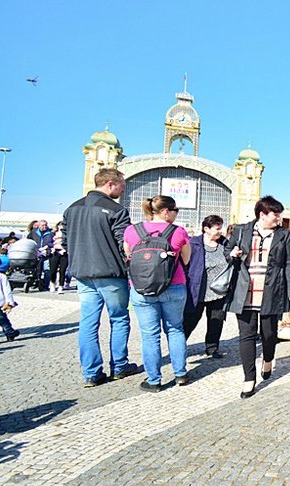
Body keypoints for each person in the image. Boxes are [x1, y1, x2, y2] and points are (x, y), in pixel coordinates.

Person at [62, 168, 142, 387]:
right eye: (121, 187)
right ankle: (119, 366)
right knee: (119, 318)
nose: (122, 191)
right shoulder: (116, 210)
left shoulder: (71, 209)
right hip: (111, 274)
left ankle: (91, 372)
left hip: (82, 273)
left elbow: (64, 241)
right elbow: (123, 243)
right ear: (110, 184)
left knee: (88, 322)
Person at [226, 196, 290, 399]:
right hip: (244, 291)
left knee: (268, 334)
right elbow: (226, 251)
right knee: (246, 336)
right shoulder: (241, 230)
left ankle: (268, 358)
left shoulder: (284, 234)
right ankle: (249, 378)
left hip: (272, 291)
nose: (279, 218)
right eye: (275, 214)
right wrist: (232, 253)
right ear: (262, 214)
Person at [123, 195, 191, 392]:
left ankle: (154, 380)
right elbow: (186, 260)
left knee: (150, 335)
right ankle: (180, 373)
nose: (176, 214)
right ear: (165, 211)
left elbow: (129, 256)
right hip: (174, 285)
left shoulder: (132, 231)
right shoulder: (178, 232)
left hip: (142, 289)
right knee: (175, 329)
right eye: (175, 210)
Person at [184, 214, 230, 358]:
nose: (220, 231)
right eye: (217, 228)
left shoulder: (225, 244)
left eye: (221, 228)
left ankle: (212, 348)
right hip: (198, 292)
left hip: (219, 292)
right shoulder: (194, 244)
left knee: (216, 322)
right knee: (189, 321)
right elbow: (186, 266)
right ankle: (178, 346)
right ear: (206, 229)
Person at [0, 267, 20, 341]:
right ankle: (9, 333)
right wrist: (10, 302)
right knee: (2, 319)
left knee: (2, 318)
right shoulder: (1, 276)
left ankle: (10, 332)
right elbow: (7, 290)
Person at [27, 219, 53, 291]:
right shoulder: (34, 232)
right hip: (36, 254)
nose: (44, 226)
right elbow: (28, 240)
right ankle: (36, 283)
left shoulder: (50, 233)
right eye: (42, 225)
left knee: (47, 270)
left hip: (46, 254)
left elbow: (52, 243)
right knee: (37, 269)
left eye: (45, 225)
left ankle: (45, 285)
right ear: (39, 226)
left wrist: (46, 247)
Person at [48, 221, 68, 293]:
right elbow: (49, 242)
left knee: (62, 271)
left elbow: (69, 242)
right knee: (53, 270)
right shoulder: (52, 233)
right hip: (54, 252)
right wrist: (53, 245)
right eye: (60, 225)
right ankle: (53, 283)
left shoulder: (67, 234)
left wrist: (64, 248)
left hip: (64, 253)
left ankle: (61, 286)